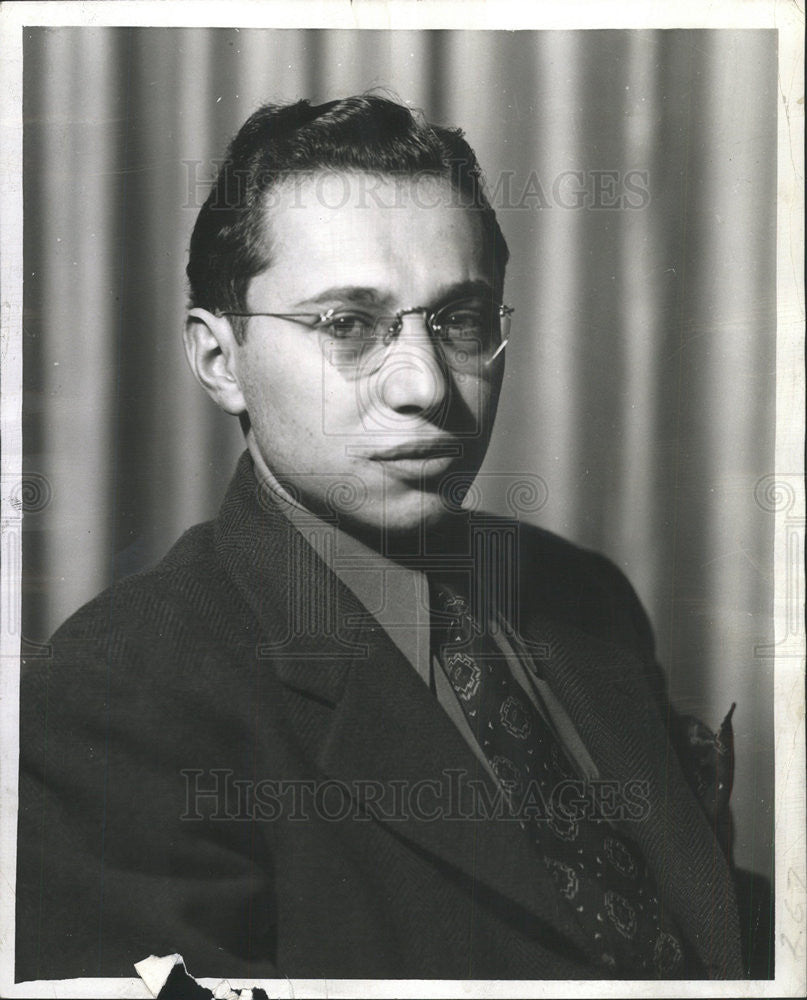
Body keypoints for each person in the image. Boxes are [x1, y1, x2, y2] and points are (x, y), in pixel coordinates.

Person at [16, 95, 768, 983]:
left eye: (459, 319)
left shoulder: (577, 591)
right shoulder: (121, 691)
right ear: (220, 362)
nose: (424, 387)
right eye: (346, 325)